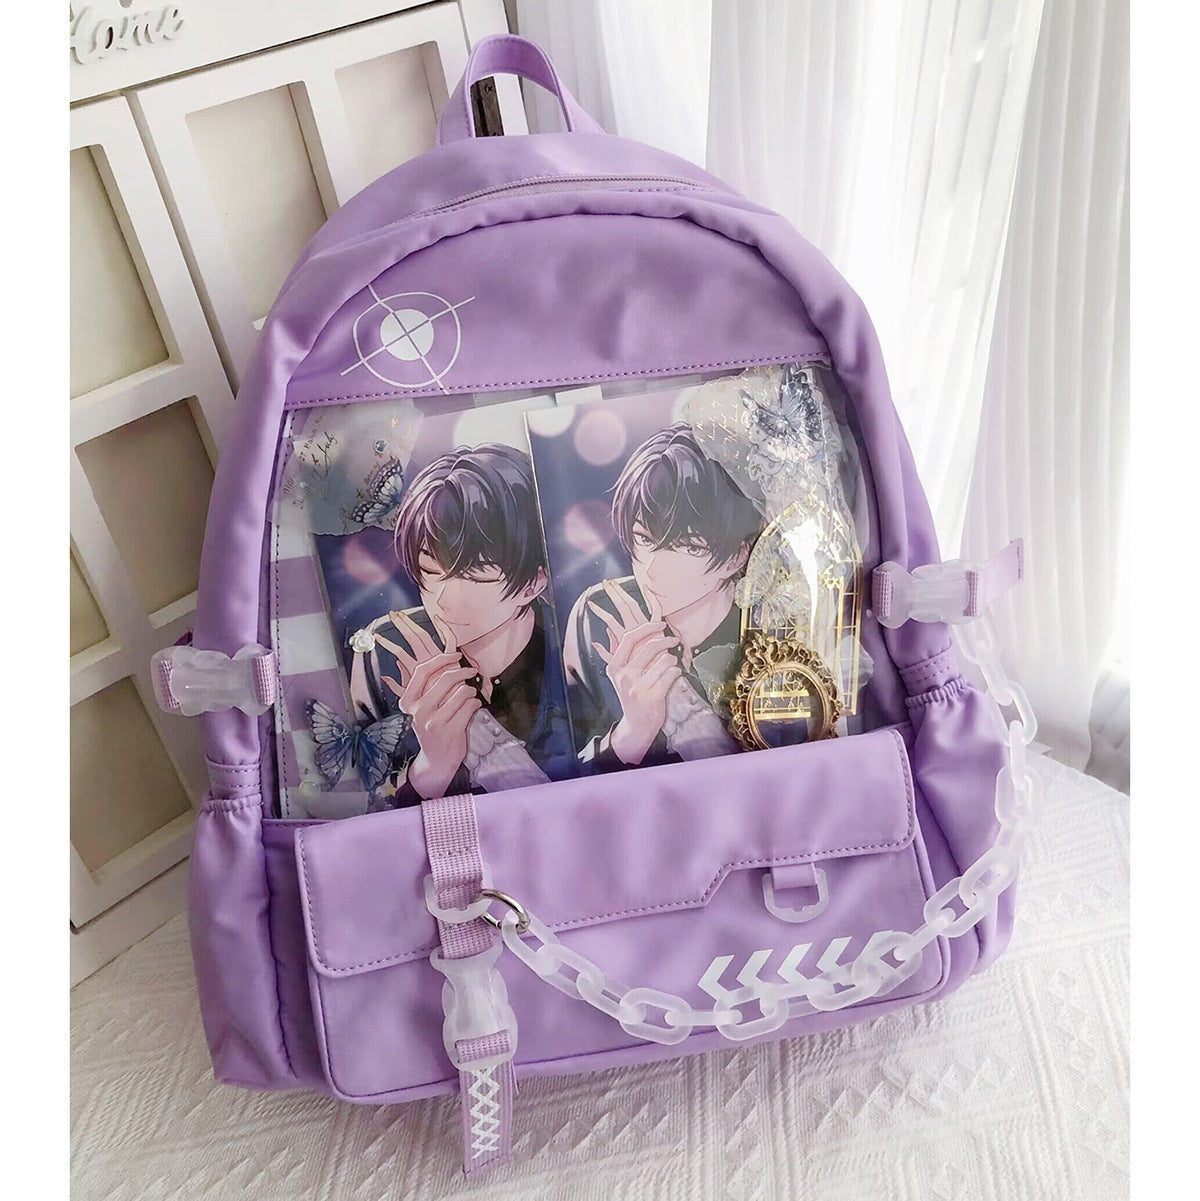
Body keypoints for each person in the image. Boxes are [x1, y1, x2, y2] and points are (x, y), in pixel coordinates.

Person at [350, 444, 573, 805]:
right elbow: (354, 804)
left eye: (468, 574)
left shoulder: (577, 647)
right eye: (429, 571)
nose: (440, 598)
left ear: (534, 582)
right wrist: (431, 769)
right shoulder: (386, 651)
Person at [563, 423, 761, 771]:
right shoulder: (597, 616)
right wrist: (631, 733)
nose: (652, 569)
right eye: (644, 539)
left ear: (737, 556)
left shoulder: (770, 631)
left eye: (686, 546)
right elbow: (560, 778)